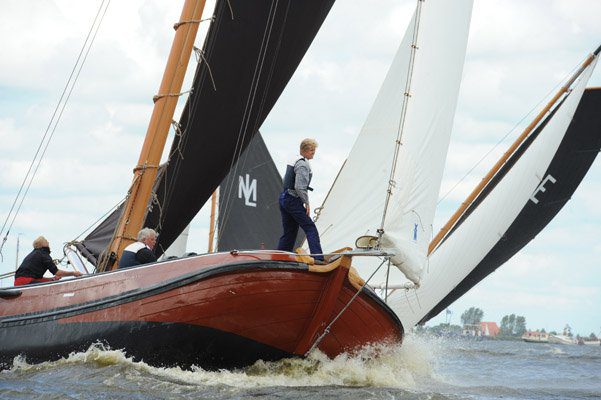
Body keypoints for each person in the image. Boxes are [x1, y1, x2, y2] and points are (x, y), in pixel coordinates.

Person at [277, 138, 324, 262]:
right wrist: (306, 203)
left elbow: (286, 180)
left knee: (290, 231)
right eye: (313, 151)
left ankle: (280, 258)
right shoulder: (302, 164)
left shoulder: (294, 159)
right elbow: (299, 187)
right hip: (292, 199)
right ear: (307, 151)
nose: (314, 153)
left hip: (284, 197)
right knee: (310, 228)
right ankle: (318, 258)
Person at [14, 236, 82, 286]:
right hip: (26, 282)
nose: (48, 242)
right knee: (55, 286)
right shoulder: (44, 254)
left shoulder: (33, 254)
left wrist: (53, 279)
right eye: (46, 241)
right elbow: (58, 273)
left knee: (50, 281)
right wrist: (73, 273)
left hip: (18, 282)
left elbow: (35, 277)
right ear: (43, 244)